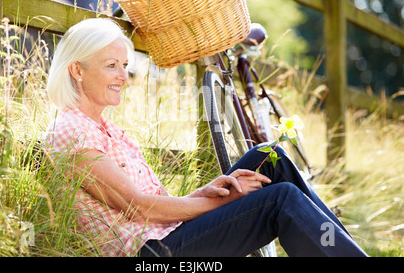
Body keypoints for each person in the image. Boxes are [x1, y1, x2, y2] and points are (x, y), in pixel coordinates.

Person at [42, 18, 367, 257]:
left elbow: (158, 203)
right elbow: (138, 209)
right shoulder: (72, 133)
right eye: (111, 65)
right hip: (154, 256)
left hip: (168, 235)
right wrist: (221, 200)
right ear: (77, 70)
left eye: (125, 66)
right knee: (278, 199)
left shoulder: (105, 127)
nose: (123, 77)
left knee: (270, 158)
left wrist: (209, 191)